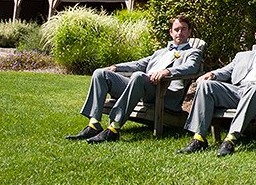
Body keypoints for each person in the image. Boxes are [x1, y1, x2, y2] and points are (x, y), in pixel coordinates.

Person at [66, 15, 203, 143]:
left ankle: (114, 128)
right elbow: (140, 64)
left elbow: (190, 67)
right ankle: (94, 125)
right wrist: (116, 67)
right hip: (142, 88)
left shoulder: (193, 52)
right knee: (100, 73)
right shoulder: (160, 52)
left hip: (165, 93)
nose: (180, 33)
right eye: (176, 29)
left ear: (189, 32)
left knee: (138, 76)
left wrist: (167, 71)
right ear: (171, 32)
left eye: (183, 29)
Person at [179, 16, 256, 156]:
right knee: (206, 85)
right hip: (238, 92)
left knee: (255, 88)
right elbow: (227, 70)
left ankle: (231, 139)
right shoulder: (242, 55)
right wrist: (211, 74)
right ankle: (199, 138)